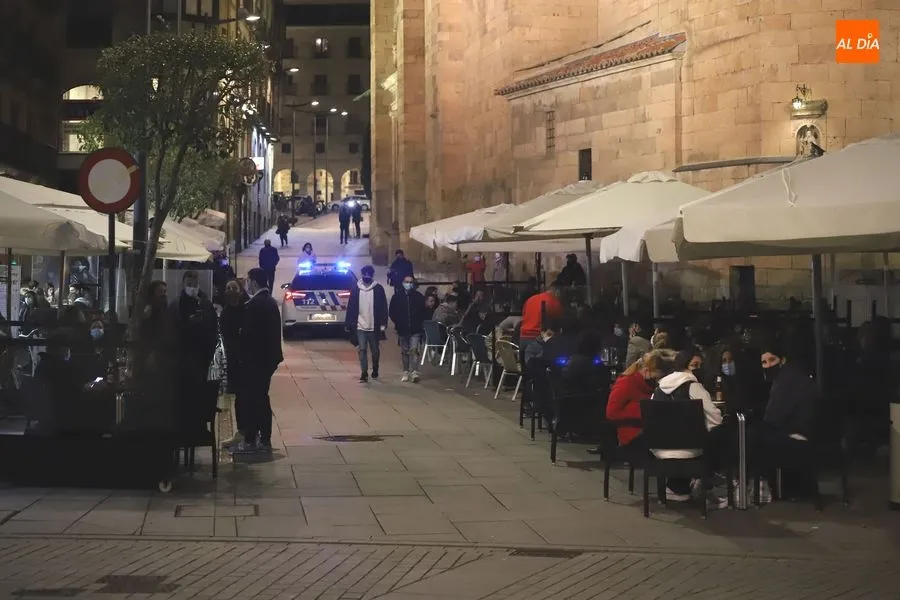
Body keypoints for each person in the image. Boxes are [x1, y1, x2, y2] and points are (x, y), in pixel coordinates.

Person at [651, 348, 725, 506]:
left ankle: (677, 488)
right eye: (695, 365)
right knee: (719, 436)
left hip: (659, 449)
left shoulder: (658, 389)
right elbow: (715, 419)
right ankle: (706, 483)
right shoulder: (693, 387)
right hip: (691, 449)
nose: (698, 369)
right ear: (683, 365)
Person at [748, 340, 819, 493]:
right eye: (764, 362)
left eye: (772, 360)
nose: (768, 365)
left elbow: (773, 416)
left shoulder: (786, 380)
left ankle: (762, 489)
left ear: (782, 360)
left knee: (752, 438)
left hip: (800, 435)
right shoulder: (793, 375)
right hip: (807, 431)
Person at [232, 268, 284, 454]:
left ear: (254, 282)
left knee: (255, 400)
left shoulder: (256, 304)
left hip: (256, 361)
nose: (247, 284)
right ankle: (261, 438)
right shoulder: (268, 302)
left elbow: (249, 334)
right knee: (259, 398)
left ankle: (255, 439)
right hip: (265, 360)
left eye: (248, 281)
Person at [169, 271, 219, 439]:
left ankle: (199, 427)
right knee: (185, 395)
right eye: (189, 284)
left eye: (195, 284)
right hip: (183, 358)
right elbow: (172, 329)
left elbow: (213, 329)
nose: (192, 288)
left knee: (200, 394)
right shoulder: (177, 305)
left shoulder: (205, 304)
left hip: (202, 358)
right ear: (184, 285)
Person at [346, 265, 388, 382]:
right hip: (360, 326)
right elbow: (351, 307)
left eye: (368, 275)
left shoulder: (378, 289)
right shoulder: (356, 289)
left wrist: (383, 324)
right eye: (364, 274)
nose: (366, 277)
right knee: (362, 350)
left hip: (374, 326)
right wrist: (348, 323)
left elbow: (383, 308)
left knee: (375, 351)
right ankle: (364, 373)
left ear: (372, 275)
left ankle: (375, 369)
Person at [389, 274, 426, 382]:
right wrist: (398, 322)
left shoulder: (418, 297)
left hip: (415, 329)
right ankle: (406, 371)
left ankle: (414, 372)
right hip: (402, 329)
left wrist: (420, 323)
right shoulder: (397, 297)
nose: (408, 284)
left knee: (414, 350)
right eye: (407, 282)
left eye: (410, 282)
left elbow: (423, 311)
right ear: (403, 283)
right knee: (405, 351)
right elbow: (392, 311)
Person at [518, 280, 563, 363]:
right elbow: (557, 325)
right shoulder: (555, 303)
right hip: (538, 340)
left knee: (525, 369)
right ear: (558, 291)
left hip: (523, 338)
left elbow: (524, 317)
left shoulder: (531, 299)